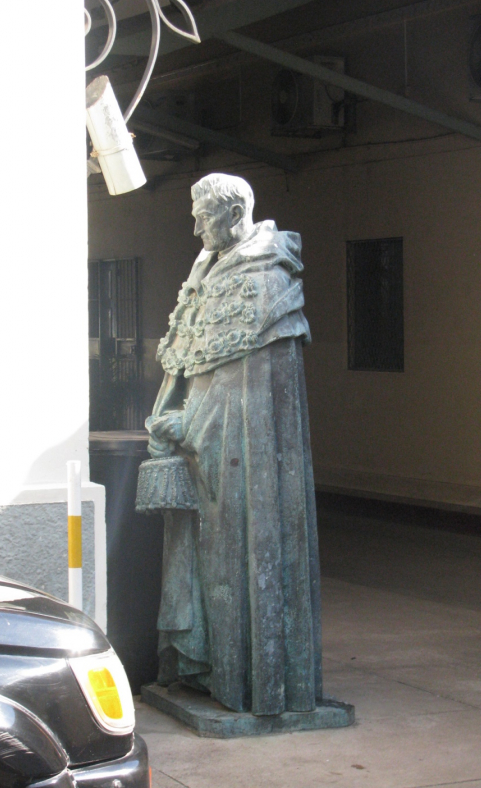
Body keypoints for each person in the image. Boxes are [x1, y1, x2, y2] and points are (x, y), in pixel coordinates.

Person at [146, 173, 322, 716]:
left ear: (234, 214)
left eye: (203, 214)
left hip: (239, 458)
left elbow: (246, 386)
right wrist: (169, 414)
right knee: (199, 560)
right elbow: (191, 362)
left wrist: (188, 424)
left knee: (233, 559)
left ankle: (244, 678)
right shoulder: (206, 266)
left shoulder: (267, 275)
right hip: (200, 447)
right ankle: (204, 668)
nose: (195, 224)